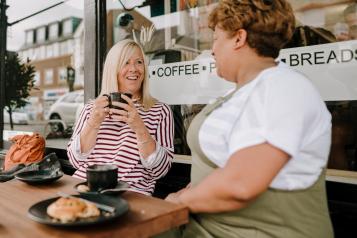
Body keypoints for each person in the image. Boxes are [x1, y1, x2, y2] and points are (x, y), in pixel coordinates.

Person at [158, 0, 334, 237]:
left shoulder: (284, 88)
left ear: (239, 39)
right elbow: (220, 167)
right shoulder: (238, 94)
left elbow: (239, 185)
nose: (213, 49)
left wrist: (177, 202)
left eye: (217, 38)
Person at [67, 39, 174, 195]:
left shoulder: (160, 111)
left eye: (139, 62)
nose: (134, 69)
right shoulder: (92, 108)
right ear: (113, 69)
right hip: (84, 189)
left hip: (131, 194)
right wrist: (93, 122)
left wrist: (139, 127)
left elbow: (160, 170)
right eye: (126, 63)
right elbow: (75, 161)